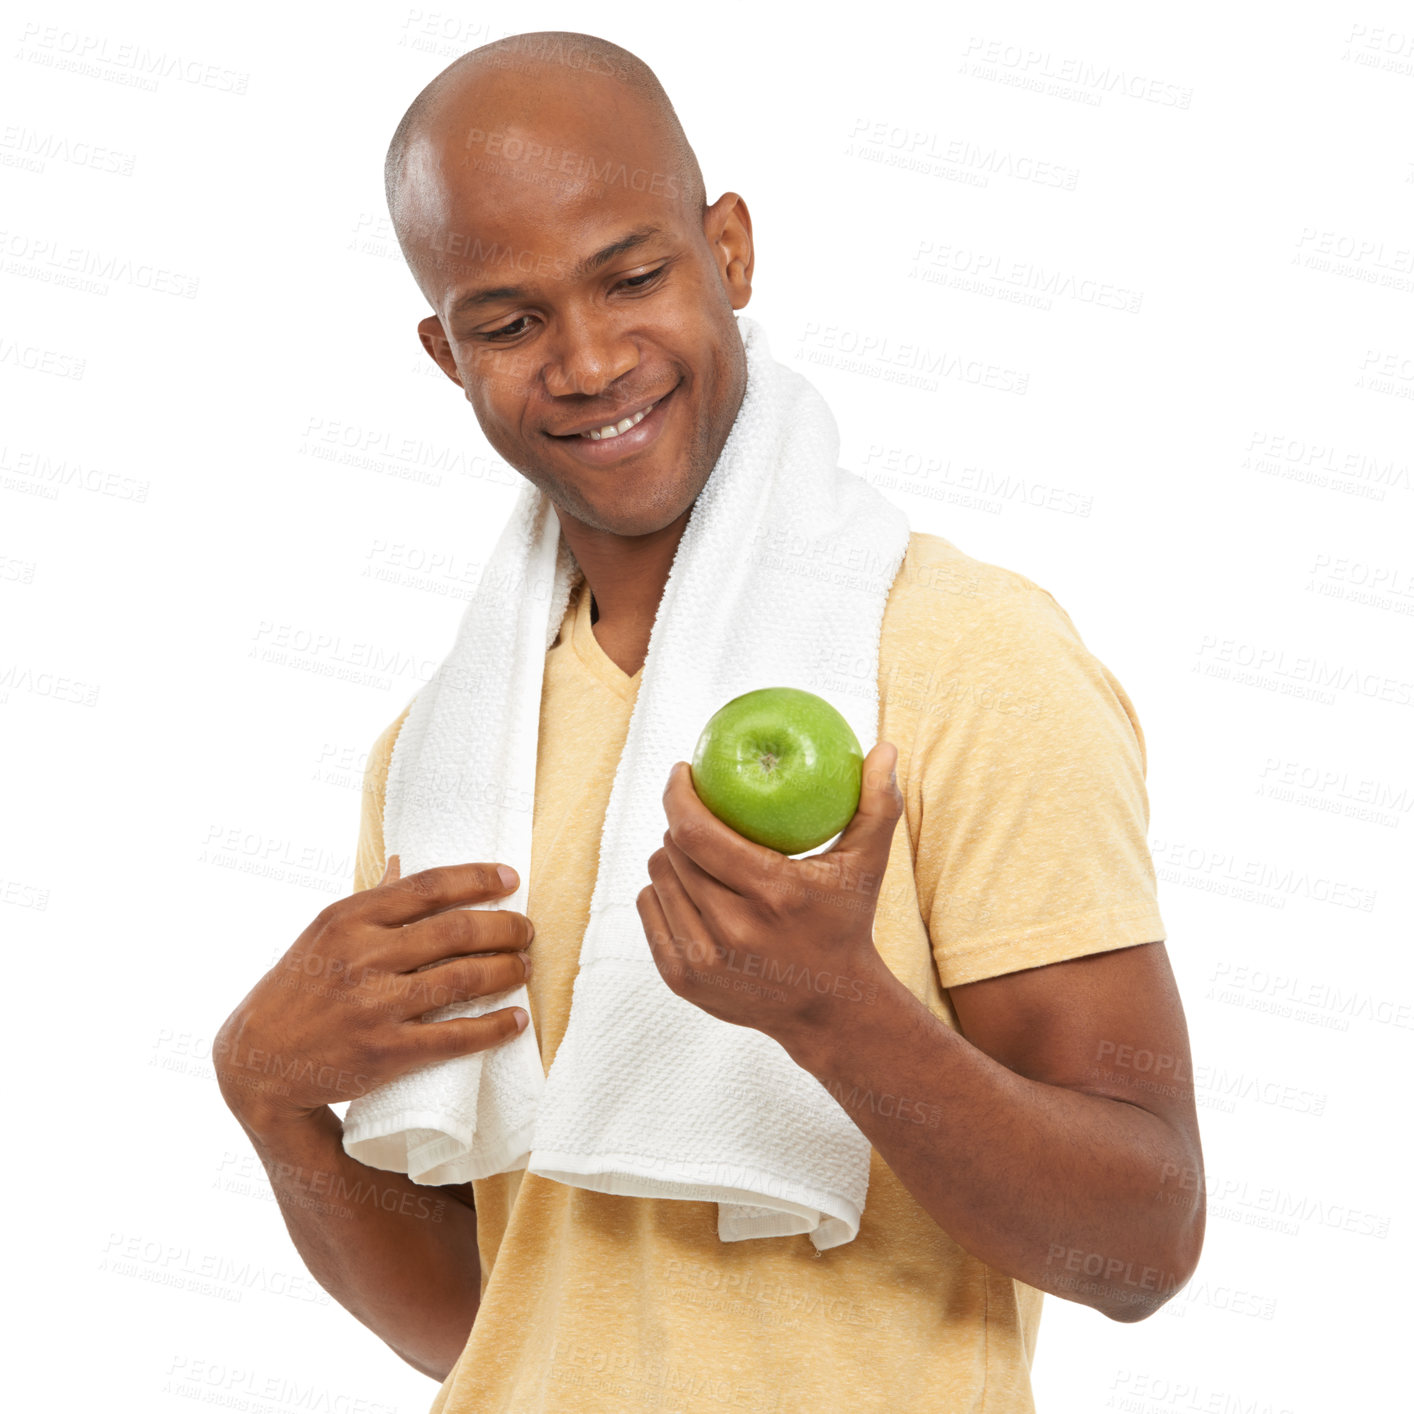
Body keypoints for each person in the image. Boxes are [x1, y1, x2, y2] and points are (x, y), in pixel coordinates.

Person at [214, 29, 1204, 1414]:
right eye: (508, 322)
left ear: (727, 251)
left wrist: (838, 1013)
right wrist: (270, 1101)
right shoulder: (443, 757)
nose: (588, 359)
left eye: (630, 277)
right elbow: (487, 1324)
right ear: (445, 353)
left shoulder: (965, 658)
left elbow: (1140, 1243)